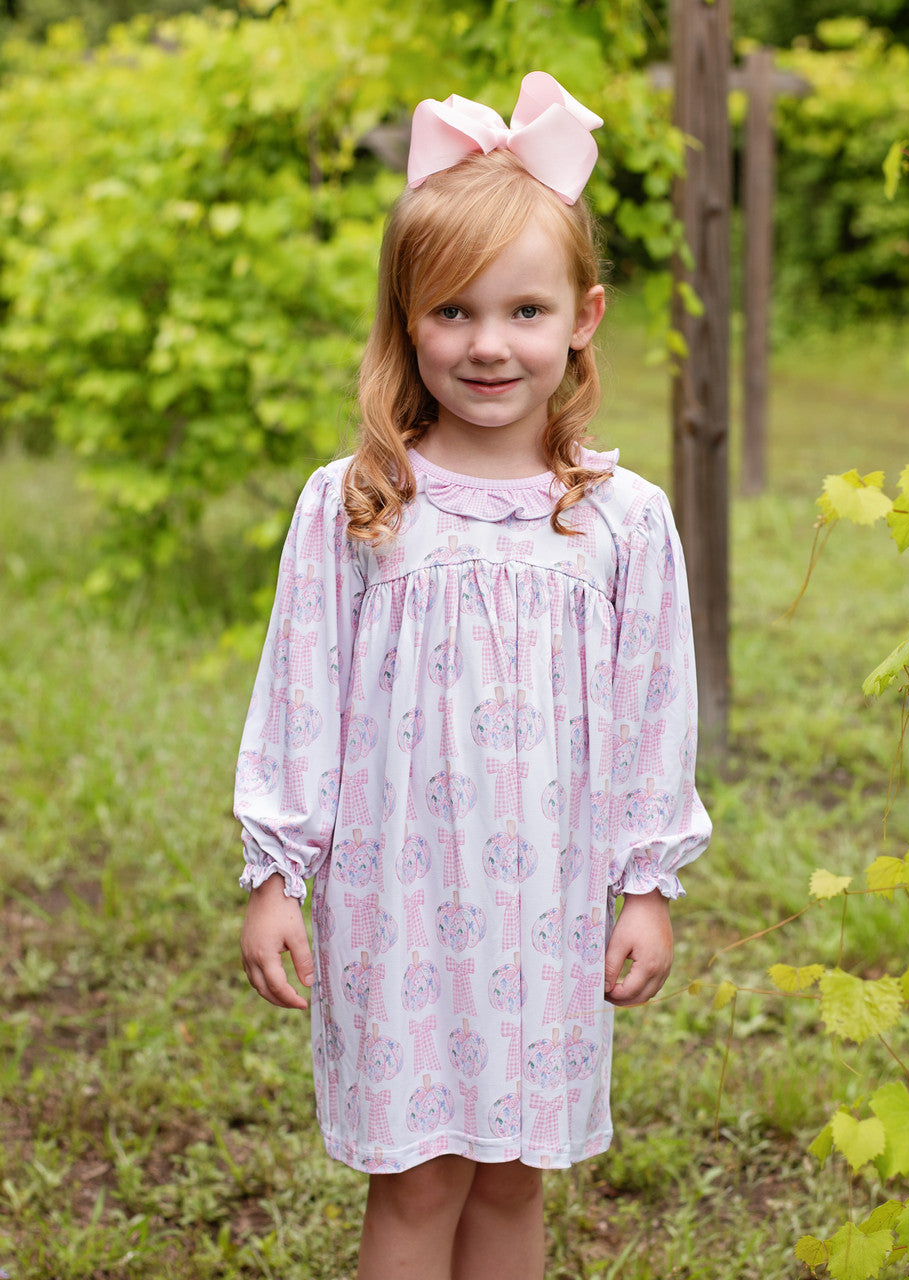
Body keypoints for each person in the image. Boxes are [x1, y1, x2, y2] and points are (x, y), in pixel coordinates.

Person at [235, 72, 712, 1280]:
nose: (487, 343)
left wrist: (644, 884)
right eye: (449, 311)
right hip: (394, 903)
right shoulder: (357, 504)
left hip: (546, 910)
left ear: (584, 316)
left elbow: (658, 714)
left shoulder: (620, 521)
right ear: (405, 322)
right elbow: (298, 696)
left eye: (524, 310)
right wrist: (275, 872)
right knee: (419, 1177)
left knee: (512, 1175)